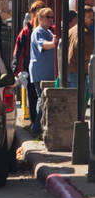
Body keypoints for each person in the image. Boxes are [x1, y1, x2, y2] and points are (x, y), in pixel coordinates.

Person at [28, 7, 57, 138]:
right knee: (42, 100)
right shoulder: (38, 32)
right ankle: (36, 128)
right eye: (48, 17)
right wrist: (53, 43)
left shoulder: (48, 31)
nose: (51, 20)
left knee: (44, 100)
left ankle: (38, 128)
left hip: (46, 72)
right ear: (40, 18)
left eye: (52, 17)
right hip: (40, 72)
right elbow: (44, 46)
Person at [68, 6, 95, 90]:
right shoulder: (84, 33)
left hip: (71, 68)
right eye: (89, 16)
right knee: (80, 98)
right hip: (78, 70)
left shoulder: (72, 30)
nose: (92, 19)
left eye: (93, 16)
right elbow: (84, 53)